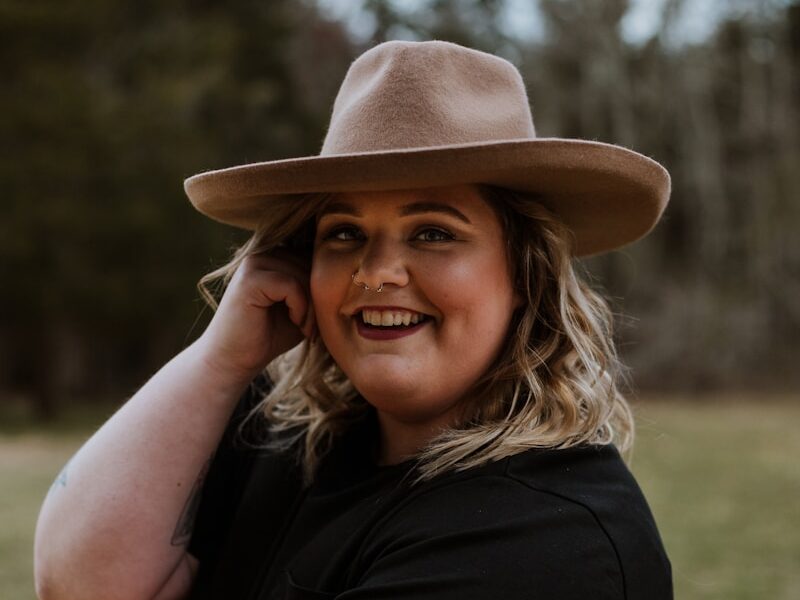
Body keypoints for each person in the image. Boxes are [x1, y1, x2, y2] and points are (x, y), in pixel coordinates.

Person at [34, 40, 672, 600]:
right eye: (344, 232)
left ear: (526, 277)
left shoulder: (544, 540)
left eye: (432, 232)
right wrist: (219, 361)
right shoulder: (281, 433)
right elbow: (80, 584)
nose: (375, 273)